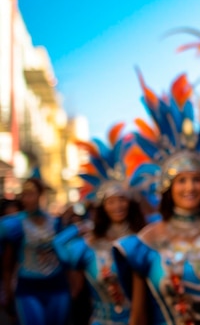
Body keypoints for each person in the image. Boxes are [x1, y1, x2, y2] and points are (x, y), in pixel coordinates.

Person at [113, 74, 200, 325]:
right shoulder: (146, 243)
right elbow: (139, 315)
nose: (190, 187)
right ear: (167, 189)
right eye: (181, 180)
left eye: (196, 179)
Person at [52, 124, 146, 325]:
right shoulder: (90, 244)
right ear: (102, 207)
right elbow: (58, 244)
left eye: (122, 200)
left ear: (130, 203)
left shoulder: (144, 238)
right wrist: (82, 227)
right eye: (111, 202)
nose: (118, 206)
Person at [0, 177, 71, 325]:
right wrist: (8, 290)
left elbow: (67, 258)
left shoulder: (56, 222)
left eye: (31, 194)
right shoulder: (14, 224)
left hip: (57, 284)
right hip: (28, 287)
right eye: (24, 194)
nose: (26, 199)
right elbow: (8, 262)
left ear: (40, 194)